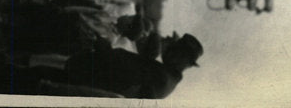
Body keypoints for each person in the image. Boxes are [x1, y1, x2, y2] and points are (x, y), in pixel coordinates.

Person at [33, 33, 204, 99]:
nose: (168, 49)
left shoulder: (161, 77)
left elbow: (119, 69)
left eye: (173, 48)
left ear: (180, 57)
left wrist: (104, 47)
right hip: (84, 82)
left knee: (33, 79)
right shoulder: (166, 78)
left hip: (82, 83)